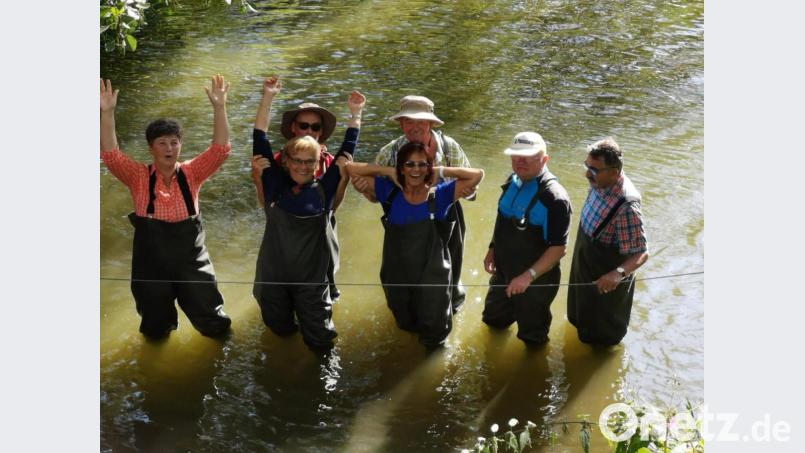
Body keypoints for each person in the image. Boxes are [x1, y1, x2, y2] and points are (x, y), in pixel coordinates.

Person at [99, 75, 232, 339]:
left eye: (174, 142)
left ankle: (222, 356)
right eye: (162, 142)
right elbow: (111, 154)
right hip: (151, 266)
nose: (169, 148)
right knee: (155, 326)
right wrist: (107, 114)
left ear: (180, 145)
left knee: (212, 320)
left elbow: (220, 149)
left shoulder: (193, 173)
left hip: (192, 263)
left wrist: (219, 107)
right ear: (151, 148)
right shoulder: (137, 177)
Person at [251, 81, 365, 352]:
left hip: (312, 274)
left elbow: (349, 145)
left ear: (318, 162)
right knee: (278, 327)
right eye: (297, 161)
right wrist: (267, 97)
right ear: (287, 161)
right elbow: (259, 136)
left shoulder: (325, 185)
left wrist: (356, 113)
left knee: (320, 337)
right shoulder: (274, 180)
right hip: (274, 273)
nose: (303, 166)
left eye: (309, 162)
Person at [345, 142, 484, 348]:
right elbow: (349, 168)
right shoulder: (389, 192)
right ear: (401, 168)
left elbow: (477, 175)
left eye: (422, 165)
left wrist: (439, 170)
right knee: (405, 326)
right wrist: (387, 171)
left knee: (434, 338)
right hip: (398, 278)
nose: (416, 170)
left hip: (433, 281)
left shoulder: (441, 194)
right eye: (409, 164)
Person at [351, 95, 473, 311]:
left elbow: (472, 190)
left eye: (420, 121)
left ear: (431, 123)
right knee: (403, 274)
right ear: (400, 124)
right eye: (408, 121)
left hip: (446, 215)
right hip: (404, 218)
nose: (414, 127)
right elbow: (374, 196)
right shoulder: (390, 151)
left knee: (450, 267)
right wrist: (371, 185)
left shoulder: (448, 146)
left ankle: (450, 305)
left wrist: (451, 181)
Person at [482, 132, 572, 346]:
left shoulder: (555, 198)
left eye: (529, 156)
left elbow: (559, 249)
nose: (520, 161)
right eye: (515, 155)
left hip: (536, 281)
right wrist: (492, 248)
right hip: (503, 272)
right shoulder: (512, 181)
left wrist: (527, 277)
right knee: (493, 321)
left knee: (533, 337)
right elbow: (502, 217)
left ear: (544, 159)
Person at [568, 137, 649, 345]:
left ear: (614, 172)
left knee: (601, 340)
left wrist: (618, 274)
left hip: (606, 284)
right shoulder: (599, 181)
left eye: (594, 170)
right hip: (584, 267)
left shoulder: (626, 207)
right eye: (587, 166)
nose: (587, 173)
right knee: (578, 319)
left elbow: (641, 253)